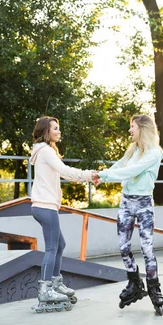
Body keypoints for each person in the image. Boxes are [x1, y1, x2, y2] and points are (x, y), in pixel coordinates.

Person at [94, 114, 163, 315]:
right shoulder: (133, 149)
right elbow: (121, 165)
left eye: (132, 126)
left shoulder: (154, 153)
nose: (129, 130)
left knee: (146, 247)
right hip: (126, 202)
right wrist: (101, 174)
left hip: (143, 204)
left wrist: (105, 176)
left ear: (142, 128)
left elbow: (133, 170)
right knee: (123, 247)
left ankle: (154, 287)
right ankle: (134, 282)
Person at [29, 116, 99, 313]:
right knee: (51, 248)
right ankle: (45, 289)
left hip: (44, 205)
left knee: (60, 245)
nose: (59, 132)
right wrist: (89, 175)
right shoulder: (46, 151)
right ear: (46, 132)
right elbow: (65, 171)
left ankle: (55, 283)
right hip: (45, 206)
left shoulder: (43, 152)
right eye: (55, 129)